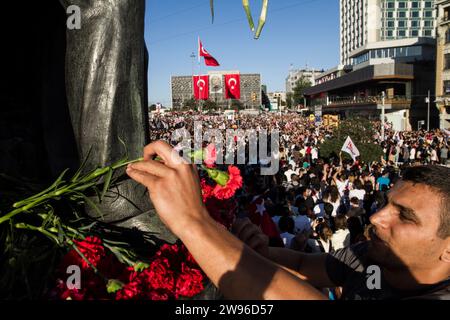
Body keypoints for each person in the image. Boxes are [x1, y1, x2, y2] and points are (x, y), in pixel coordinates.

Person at [126, 141, 450, 300]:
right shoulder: (370, 258)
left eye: (404, 216)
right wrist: (258, 251)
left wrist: (193, 221)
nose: (378, 216)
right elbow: (302, 263)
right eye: (388, 204)